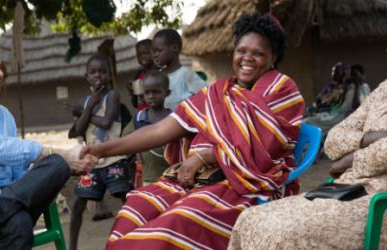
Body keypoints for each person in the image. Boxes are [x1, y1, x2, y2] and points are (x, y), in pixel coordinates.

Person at [80, 13, 305, 249]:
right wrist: (101, 149)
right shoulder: (218, 93)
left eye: (257, 53)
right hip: (199, 179)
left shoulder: (281, 89)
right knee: (136, 208)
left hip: (245, 186)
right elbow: (159, 130)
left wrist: (203, 156)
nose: (247, 58)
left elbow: (264, 152)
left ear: (273, 58)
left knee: (170, 227)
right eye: (241, 50)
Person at [228, 78, 387, 250]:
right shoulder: (383, 91)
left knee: (281, 232)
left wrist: (348, 160)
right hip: (346, 188)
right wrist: (368, 138)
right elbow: (333, 141)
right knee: (250, 218)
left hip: (378, 197)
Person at [0, 43, 96, 249]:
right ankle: (1, 210)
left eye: (0, 67)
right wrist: (58, 152)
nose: (0, 73)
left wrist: (60, 168)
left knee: (56, 165)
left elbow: (18, 173)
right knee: (19, 223)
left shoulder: (5, 117)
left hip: (5, 203)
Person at [68, 54, 133, 250]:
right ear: (86, 76)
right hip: (92, 162)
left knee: (127, 200)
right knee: (78, 204)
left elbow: (106, 122)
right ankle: (72, 247)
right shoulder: (86, 100)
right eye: (94, 72)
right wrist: (88, 107)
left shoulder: (112, 95)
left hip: (114, 158)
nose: (99, 76)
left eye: (103, 71)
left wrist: (83, 112)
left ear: (109, 75)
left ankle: (134, 240)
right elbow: (78, 131)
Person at [305, 62, 368, 136]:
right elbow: (325, 101)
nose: (350, 76)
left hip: (345, 115)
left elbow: (364, 105)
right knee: (310, 120)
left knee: (309, 121)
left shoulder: (361, 87)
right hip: (338, 113)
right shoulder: (344, 87)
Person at [152, 28, 207, 111]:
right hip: (162, 121)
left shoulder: (186, 74)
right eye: (154, 51)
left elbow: (205, 93)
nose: (155, 55)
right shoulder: (157, 76)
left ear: (174, 48)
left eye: (159, 50)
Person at [133, 70, 171, 186]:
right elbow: (135, 139)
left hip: (170, 174)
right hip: (148, 174)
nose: (151, 96)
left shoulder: (173, 118)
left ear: (167, 93)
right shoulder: (139, 117)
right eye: (147, 93)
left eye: (156, 92)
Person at [128, 39, 157, 110]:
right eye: (139, 55)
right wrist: (132, 92)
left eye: (145, 53)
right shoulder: (138, 75)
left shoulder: (160, 73)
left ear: (154, 53)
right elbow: (135, 104)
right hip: (143, 114)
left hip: (158, 114)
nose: (142, 57)